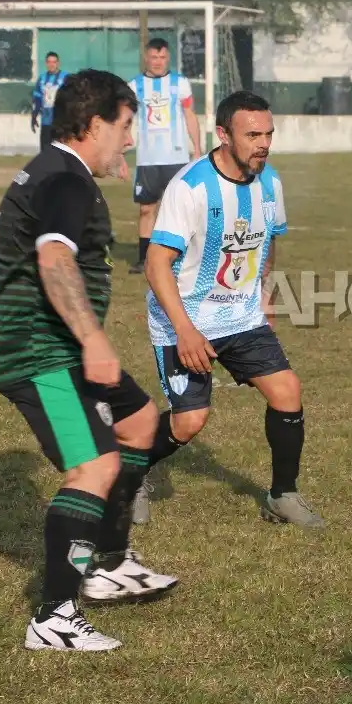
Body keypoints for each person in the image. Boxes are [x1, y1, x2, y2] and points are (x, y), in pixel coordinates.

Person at [0, 69, 178, 653]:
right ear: (94, 125)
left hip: (54, 343)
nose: (130, 139)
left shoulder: (58, 172)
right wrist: (93, 339)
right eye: (125, 126)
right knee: (94, 466)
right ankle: (54, 617)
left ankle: (108, 563)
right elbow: (54, 260)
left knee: (140, 422)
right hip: (36, 350)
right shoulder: (65, 179)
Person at [135, 90, 325, 529]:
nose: (264, 144)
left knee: (287, 392)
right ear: (223, 135)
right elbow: (156, 263)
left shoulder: (270, 182)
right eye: (253, 135)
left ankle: (282, 495)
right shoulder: (190, 187)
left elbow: (268, 241)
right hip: (184, 320)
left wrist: (266, 296)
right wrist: (185, 330)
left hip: (241, 317)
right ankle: (129, 471)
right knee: (189, 422)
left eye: (269, 134)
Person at [128, 38, 202, 274]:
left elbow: (189, 115)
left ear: (168, 57)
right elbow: (125, 119)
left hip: (176, 158)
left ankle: (184, 257)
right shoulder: (134, 86)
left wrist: (197, 148)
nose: (158, 62)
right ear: (146, 58)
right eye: (153, 57)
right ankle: (144, 259)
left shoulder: (180, 83)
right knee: (146, 209)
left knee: (180, 210)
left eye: (162, 57)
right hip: (147, 160)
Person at [31, 52, 68, 152]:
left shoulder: (66, 78)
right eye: (49, 62)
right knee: (45, 152)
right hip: (46, 121)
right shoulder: (42, 78)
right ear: (46, 63)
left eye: (54, 62)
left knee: (60, 152)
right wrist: (34, 115)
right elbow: (38, 99)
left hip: (61, 122)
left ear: (58, 63)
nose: (51, 64)